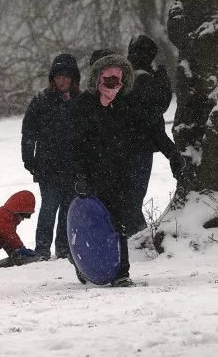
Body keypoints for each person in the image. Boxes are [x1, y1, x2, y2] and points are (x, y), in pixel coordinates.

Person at [69, 53, 137, 287]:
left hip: (117, 175)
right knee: (89, 223)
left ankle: (121, 272)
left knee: (118, 224)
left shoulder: (124, 107)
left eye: (118, 79)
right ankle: (83, 263)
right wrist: (79, 175)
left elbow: (129, 139)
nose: (114, 84)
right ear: (98, 79)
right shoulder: (81, 106)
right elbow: (74, 144)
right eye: (109, 79)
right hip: (89, 175)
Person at [21, 54, 81, 260]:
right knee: (49, 207)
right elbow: (28, 132)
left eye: (66, 77)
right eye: (58, 77)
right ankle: (43, 248)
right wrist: (28, 159)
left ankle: (63, 248)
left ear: (73, 78)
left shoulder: (80, 101)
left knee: (67, 209)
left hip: (72, 167)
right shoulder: (41, 100)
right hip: (47, 165)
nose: (62, 81)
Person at [125, 35, 185, 235]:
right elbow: (157, 109)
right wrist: (163, 81)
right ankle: (136, 236)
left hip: (131, 145)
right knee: (133, 198)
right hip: (139, 147)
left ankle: (134, 234)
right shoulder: (141, 78)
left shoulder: (130, 76)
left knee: (131, 196)